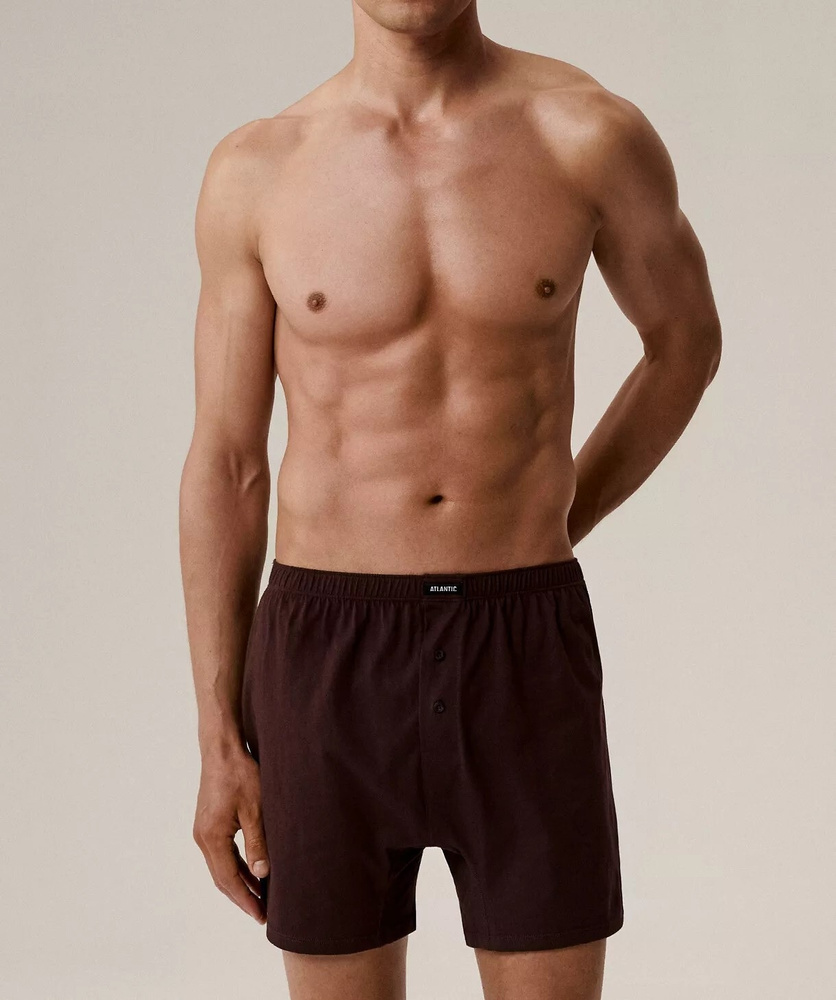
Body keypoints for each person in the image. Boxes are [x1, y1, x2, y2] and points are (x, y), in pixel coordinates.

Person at [178, 1, 721, 997]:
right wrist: (218, 733)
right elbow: (227, 463)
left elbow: (683, 344)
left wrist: (560, 517)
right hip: (324, 653)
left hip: (521, 643)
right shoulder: (258, 170)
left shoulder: (586, 133)